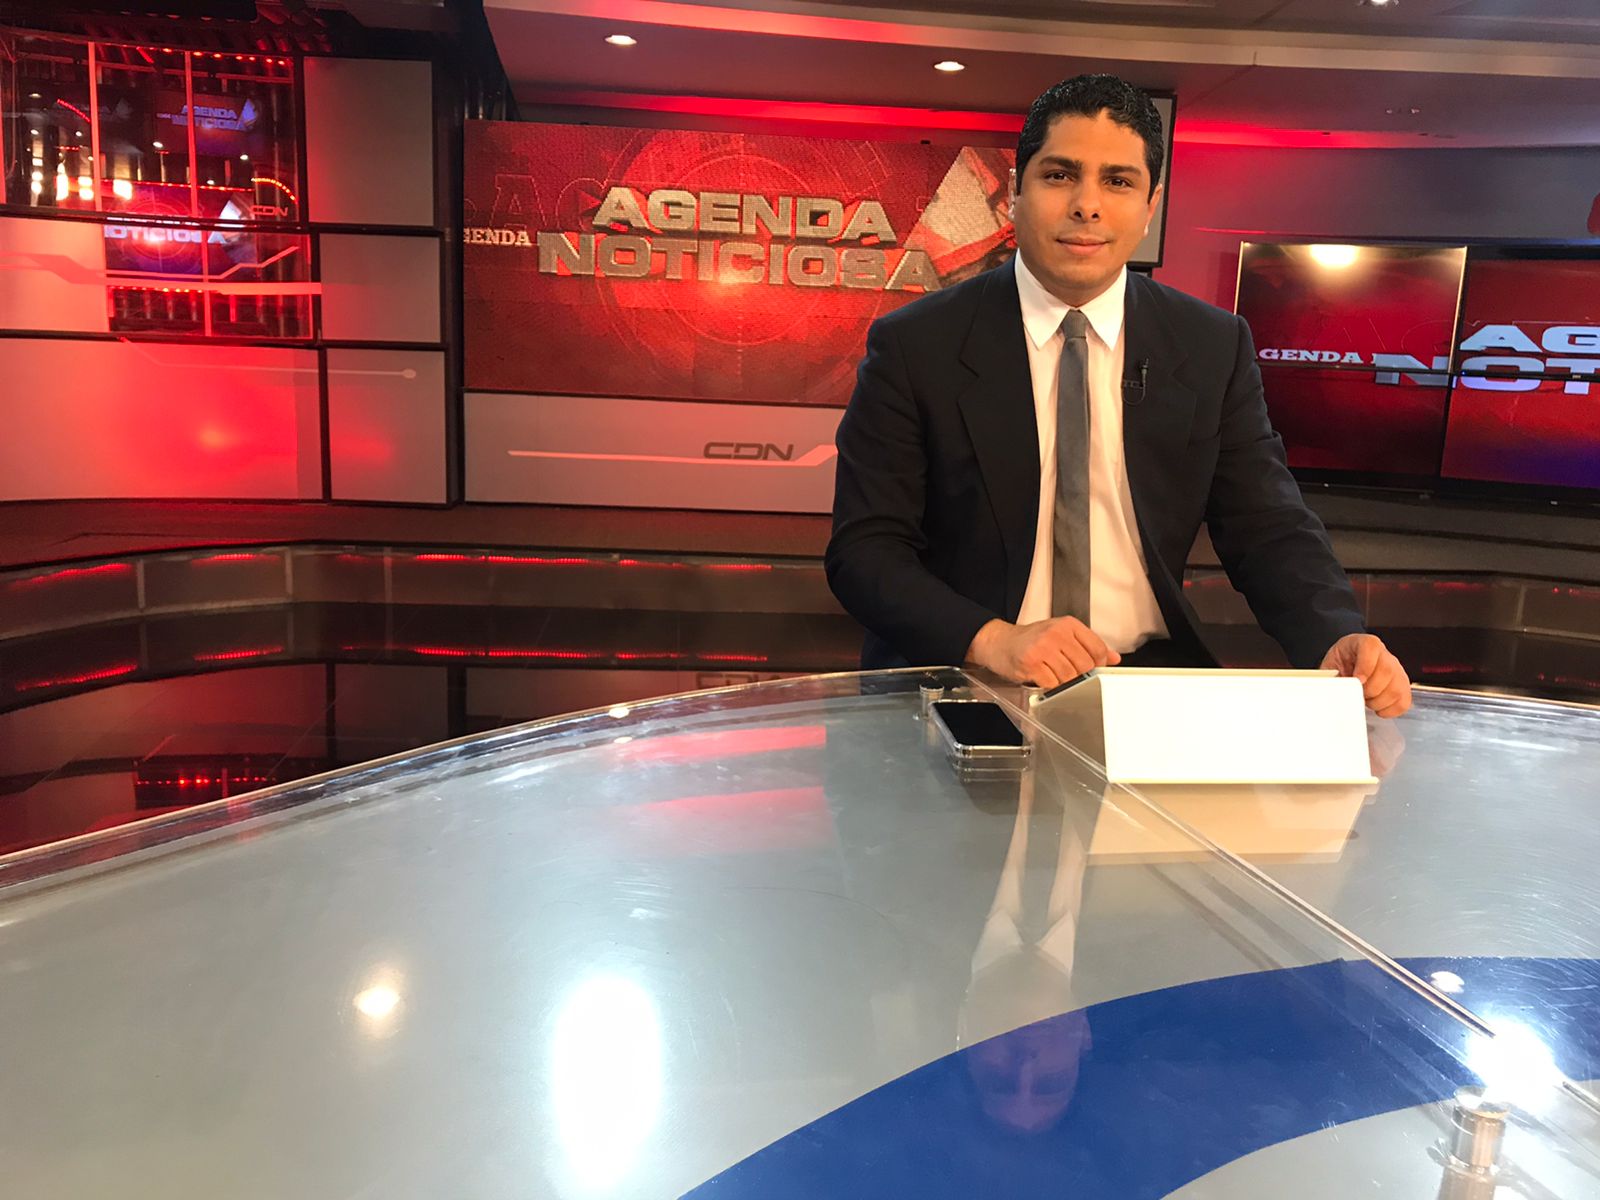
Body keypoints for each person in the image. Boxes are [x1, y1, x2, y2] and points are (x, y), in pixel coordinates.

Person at [825, 74, 1412, 718]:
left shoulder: (1211, 345)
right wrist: (991, 640)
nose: (1087, 205)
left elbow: (1267, 527)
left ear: (1151, 204)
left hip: (1149, 686)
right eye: (1059, 175)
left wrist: (1333, 634)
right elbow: (866, 552)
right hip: (966, 675)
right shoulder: (916, 345)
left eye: (1119, 181)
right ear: (1015, 192)